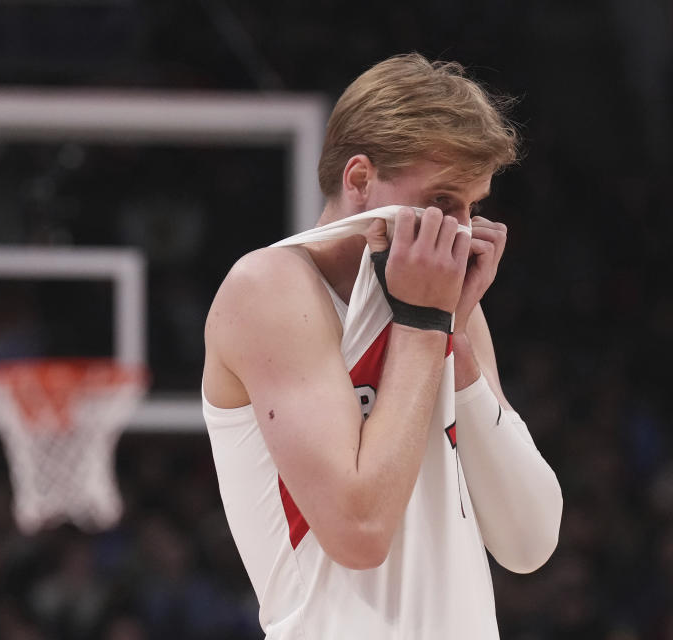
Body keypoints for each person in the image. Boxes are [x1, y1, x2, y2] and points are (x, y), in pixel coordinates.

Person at [201, 53, 563, 639]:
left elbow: (530, 541)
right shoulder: (269, 288)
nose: (464, 231)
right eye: (444, 201)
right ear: (361, 180)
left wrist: (457, 347)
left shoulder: (446, 307)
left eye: (473, 206)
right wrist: (424, 326)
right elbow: (360, 532)